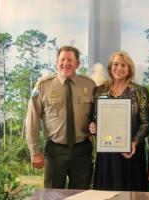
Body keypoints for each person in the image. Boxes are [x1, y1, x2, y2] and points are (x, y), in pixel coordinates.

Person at [25, 46, 96, 189]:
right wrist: (35, 152)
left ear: (77, 64)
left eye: (70, 60)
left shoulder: (89, 85)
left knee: (81, 196)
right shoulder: (43, 86)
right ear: (56, 62)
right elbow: (32, 121)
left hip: (82, 150)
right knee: (52, 195)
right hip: (55, 151)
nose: (66, 63)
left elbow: (97, 114)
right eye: (62, 59)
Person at [89, 51, 149, 191]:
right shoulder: (99, 91)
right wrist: (93, 127)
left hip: (130, 153)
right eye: (116, 64)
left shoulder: (139, 91)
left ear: (129, 69)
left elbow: (146, 122)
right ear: (110, 67)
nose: (119, 68)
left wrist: (134, 142)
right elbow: (94, 120)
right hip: (107, 155)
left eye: (124, 65)